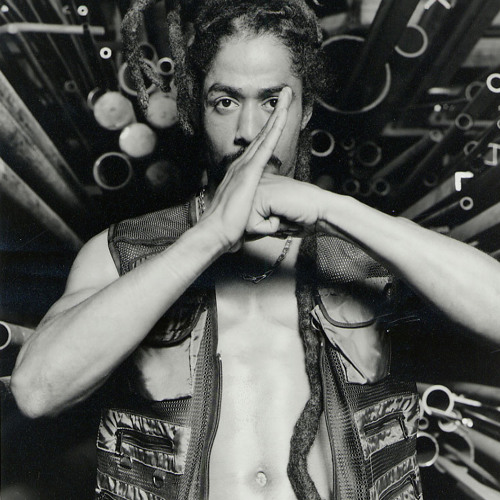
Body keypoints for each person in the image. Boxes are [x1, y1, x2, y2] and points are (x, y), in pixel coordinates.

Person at [10, 1, 500, 499]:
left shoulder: (371, 251)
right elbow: (36, 391)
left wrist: (332, 208)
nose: (249, 132)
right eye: (225, 101)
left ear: (306, 110)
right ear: (196, 111)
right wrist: (209, 237)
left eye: (272, 102)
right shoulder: (122, 252)